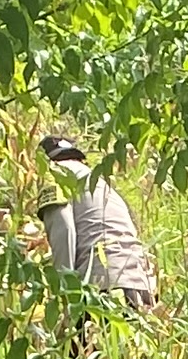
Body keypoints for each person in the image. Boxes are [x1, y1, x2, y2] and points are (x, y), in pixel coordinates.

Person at [39, 133, 159, 310]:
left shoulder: (54, 175)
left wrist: (65, 297)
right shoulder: (103, 186)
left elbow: (63, 231)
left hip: (100, 290)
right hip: (141, 286)